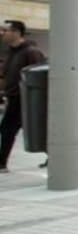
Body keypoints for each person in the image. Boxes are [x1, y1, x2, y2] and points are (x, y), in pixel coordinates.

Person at [0, 20, 46, 173]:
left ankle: (2, 163)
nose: (2, 33)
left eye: (5, 30)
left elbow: (40, 74)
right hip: (14, 97)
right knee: (30, 128)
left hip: (26, 98)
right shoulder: (10, 52)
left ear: (17, 32)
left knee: (8, 129)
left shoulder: (31, 52)